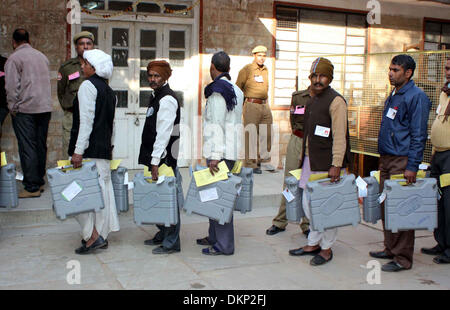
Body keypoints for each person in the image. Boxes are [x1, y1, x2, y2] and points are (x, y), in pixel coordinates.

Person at [369, 54, 431, 272]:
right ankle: (390, 248)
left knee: (402, 209)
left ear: (408, 73)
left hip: (402, 160)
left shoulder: (417, 97)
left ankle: (403, 258)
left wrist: (412, 166)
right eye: (390, 69)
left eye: (395, 70)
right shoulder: (395, 94)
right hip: (387, 158)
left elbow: (418, 134)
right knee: (387, 206)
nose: (390, 73)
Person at [288, 57, 352, 266]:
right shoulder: (312, 99)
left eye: (322, 75)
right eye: (314, 76)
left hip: (327, 165)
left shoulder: (336, 101)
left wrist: (336, 164)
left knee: (326, 208)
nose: (317, 80)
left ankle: (326, 248)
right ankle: (313, 242)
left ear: (330, 77)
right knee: (309, 205)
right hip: (310, 161)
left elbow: (340, 136)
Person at [69, 49, 120, 254]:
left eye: (86, 63)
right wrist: (110, 146)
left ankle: (94, 236)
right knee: (102, 194)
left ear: (94, 67)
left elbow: (86, 122)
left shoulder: (87, 86)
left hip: (90, 151)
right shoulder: (109, 91)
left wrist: (78, 151)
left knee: (82, 195)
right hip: (103, 151)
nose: (82, 66)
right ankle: (101, 235)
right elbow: (112, 125)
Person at [196, 51, 244, 255]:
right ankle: (214, 236)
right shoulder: (236, 90)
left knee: (219, 199)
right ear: (229, 69)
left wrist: (214, 155)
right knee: (216, 195)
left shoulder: (217, 91)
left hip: (220, 153)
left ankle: (223, 245)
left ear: (213, 67)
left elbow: (216, 125)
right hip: (231, 150)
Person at [138, 60, 182, 255]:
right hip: (154, 157)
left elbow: (163, 133)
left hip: (163, 159)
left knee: (168, 200)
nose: (153, 79)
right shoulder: (156, 96)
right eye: (150, 75)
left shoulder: (167, 99)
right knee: (156, 197)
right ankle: (163, 232)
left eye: (157, 76)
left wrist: (155, 161)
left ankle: (172, 241)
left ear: (165, 76)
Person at [5, 29, 52, 198]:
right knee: (40, 146)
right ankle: (39, 182)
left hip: (26, 109)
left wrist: (13, 107)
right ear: (28, 40)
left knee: (27, 147)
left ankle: (31, 187)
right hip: (45, 108)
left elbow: (11, 87)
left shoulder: (14, 58)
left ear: (14, 42)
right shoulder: (42, 56)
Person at [266, 88, 310, 236]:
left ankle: (307, 224)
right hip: (297, 139)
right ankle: (280, 221)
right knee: (290, 181)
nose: (317, 80)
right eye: (314, 75)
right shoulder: (298, 97)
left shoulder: (325, 99)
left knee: (309, 182)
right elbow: (294, 119)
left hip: (315, 142)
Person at [421, 57, 450, 264]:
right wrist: (432, 154)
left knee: (449, 203)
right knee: (439, 202)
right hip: (438, 154)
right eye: (447, 68)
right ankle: (441, 242)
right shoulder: (444, 91)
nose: (448, 72)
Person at [236, 45, 273, 174]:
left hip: (264, 105)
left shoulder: (266, 70)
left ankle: (259, 159)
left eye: (264, 56)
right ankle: (251, 165)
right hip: (251, 104)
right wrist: (241, 108)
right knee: (251, 134)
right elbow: (238, 89)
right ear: (254, 55)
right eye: (259, 55)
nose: (262, 58)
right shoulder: (247, 69)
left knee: (267, 133)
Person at [58, 31, 94, 157]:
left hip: (91, 115)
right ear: (76, 47)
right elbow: (61, 91)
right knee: (69, 150)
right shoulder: (67, 67)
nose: (85, 46)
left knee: (90, 151)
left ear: (92, 46)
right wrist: (69, 107)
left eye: (88, 43)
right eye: (81, 44)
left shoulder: (98, 65)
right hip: (72, 115)